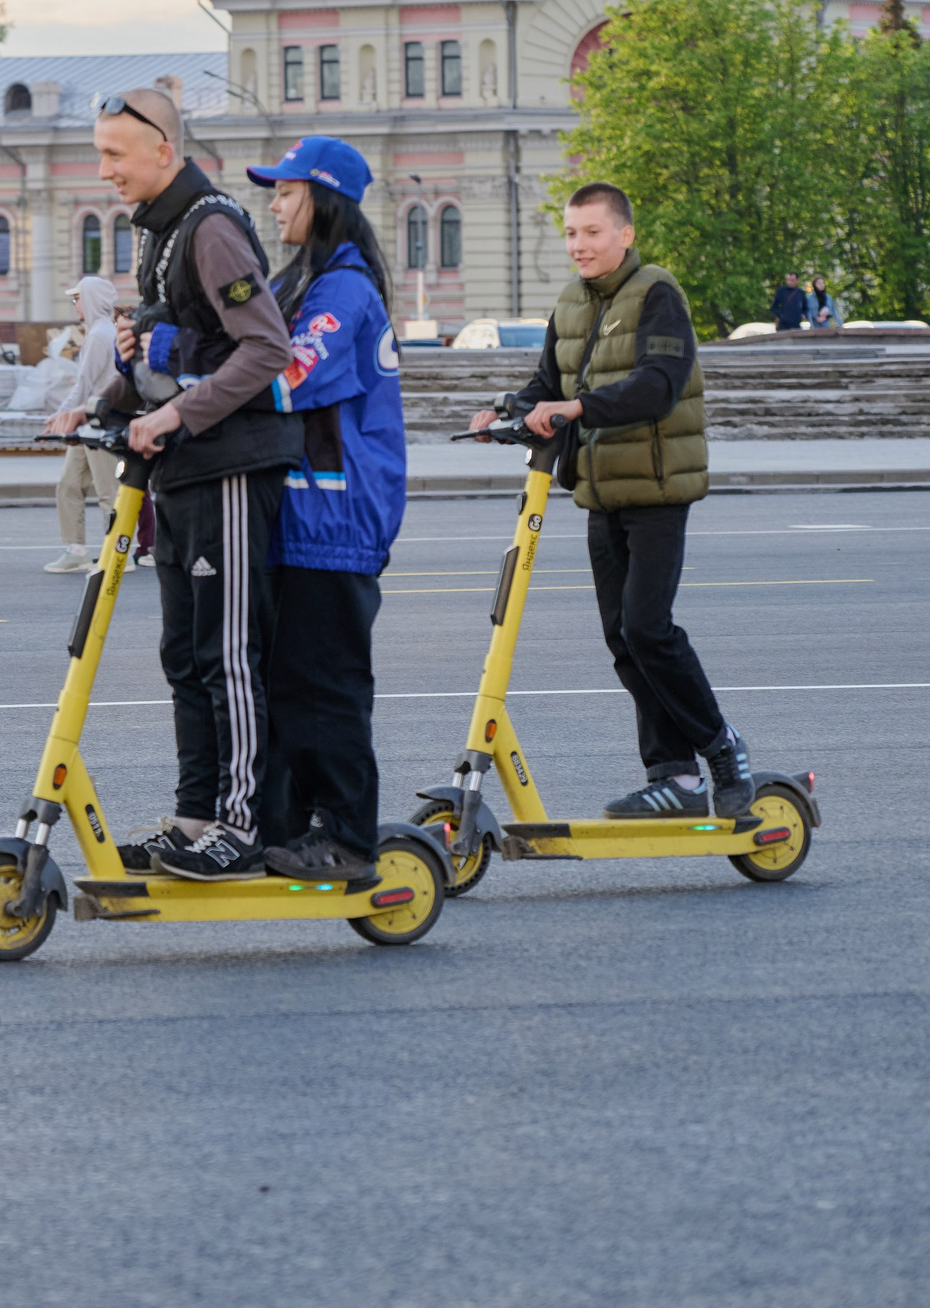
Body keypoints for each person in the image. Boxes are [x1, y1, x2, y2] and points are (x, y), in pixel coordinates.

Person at [50, 87, 304, 881]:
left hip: (228, 464)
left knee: (227, 654)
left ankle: (241, 823)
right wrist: (100, 403)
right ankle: (197, 813)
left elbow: (265, 348)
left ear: (164, 148)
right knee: (184, 652)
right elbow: (171, 353)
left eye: (115, 154)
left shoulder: (213, 227)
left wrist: (179, 416)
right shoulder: (159, 230)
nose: (104, 171)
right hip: (183, 468)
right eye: (100, 153)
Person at [469, 183, 754, 817]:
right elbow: (548, 381)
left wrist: (576, 408)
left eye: (592, 232)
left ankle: (723, 746)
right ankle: (675, 776)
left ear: (624, 234)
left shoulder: (657, 294)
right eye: (571, 233)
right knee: (622, 637)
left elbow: (658, 386)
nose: (579, 245)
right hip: (599, 492)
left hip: (656, 488)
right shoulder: (570, 303)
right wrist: (506, 409)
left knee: (649, 627)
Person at [244, 138, 407, 883]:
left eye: (284, 191)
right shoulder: (304, 282)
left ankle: (349, 838)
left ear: (324, 198)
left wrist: (177, 351)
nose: (273, 204)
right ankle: (287, 829)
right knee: (290, 687)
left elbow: (286, 377)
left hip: (335, 522)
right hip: (301, 520)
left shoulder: (343, 291)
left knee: (327, 687)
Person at [43, 275, 124, 573]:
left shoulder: (100, 335)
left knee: (107, 492)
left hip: (98, 423)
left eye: (78, 298)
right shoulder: (99, 332)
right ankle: (76, 550)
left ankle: (117, 555)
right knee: (69, 485)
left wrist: (61, 416)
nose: (75, 304)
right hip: (86, 423)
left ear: (90, 299)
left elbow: (83, 385)